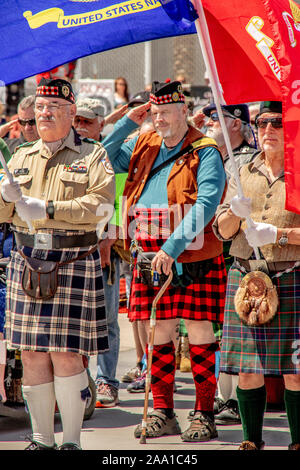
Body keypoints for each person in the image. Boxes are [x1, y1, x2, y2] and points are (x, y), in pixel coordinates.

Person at [104, 79, 227, 442]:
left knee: (200, 331)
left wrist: (170, 249)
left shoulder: (205, 150)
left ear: (184, 111)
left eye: (165, 112)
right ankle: (163, 412)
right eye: (154, 113)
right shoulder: (143, 140)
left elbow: (206, 204)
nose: (159, 119)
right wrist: (129, 119)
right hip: (148, 253)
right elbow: (105, 155)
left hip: (192, 253)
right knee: (159, 333)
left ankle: (204, 413)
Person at [0, 78, 115, 450]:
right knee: (31, 353)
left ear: (70, 112)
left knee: (66, 354)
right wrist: (5, 198)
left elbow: (102, 208)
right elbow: (3, 213)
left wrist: (46, 209)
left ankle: (72, 442)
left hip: (72, 259)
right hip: (28, 260)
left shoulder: (93, 154)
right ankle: (41, 439)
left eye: (52, 109)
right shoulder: (20, 156)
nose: (44, 114)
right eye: (40, 109)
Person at [213, 101, 300, 450]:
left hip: (291, 276)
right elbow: (221, 231)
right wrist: (234, 214)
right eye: (262, 123)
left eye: (277, 123)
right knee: (248, 371)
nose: (268, 130)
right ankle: (251, 442)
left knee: (295, 372)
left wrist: (277, 235)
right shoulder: (240, 171)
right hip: (246, 278)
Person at [202, 103, 258, 179]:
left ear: (236, 124)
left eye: (215, 117)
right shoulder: (207, 157)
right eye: (209, 118)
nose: (207, 123)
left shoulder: (252, 160)